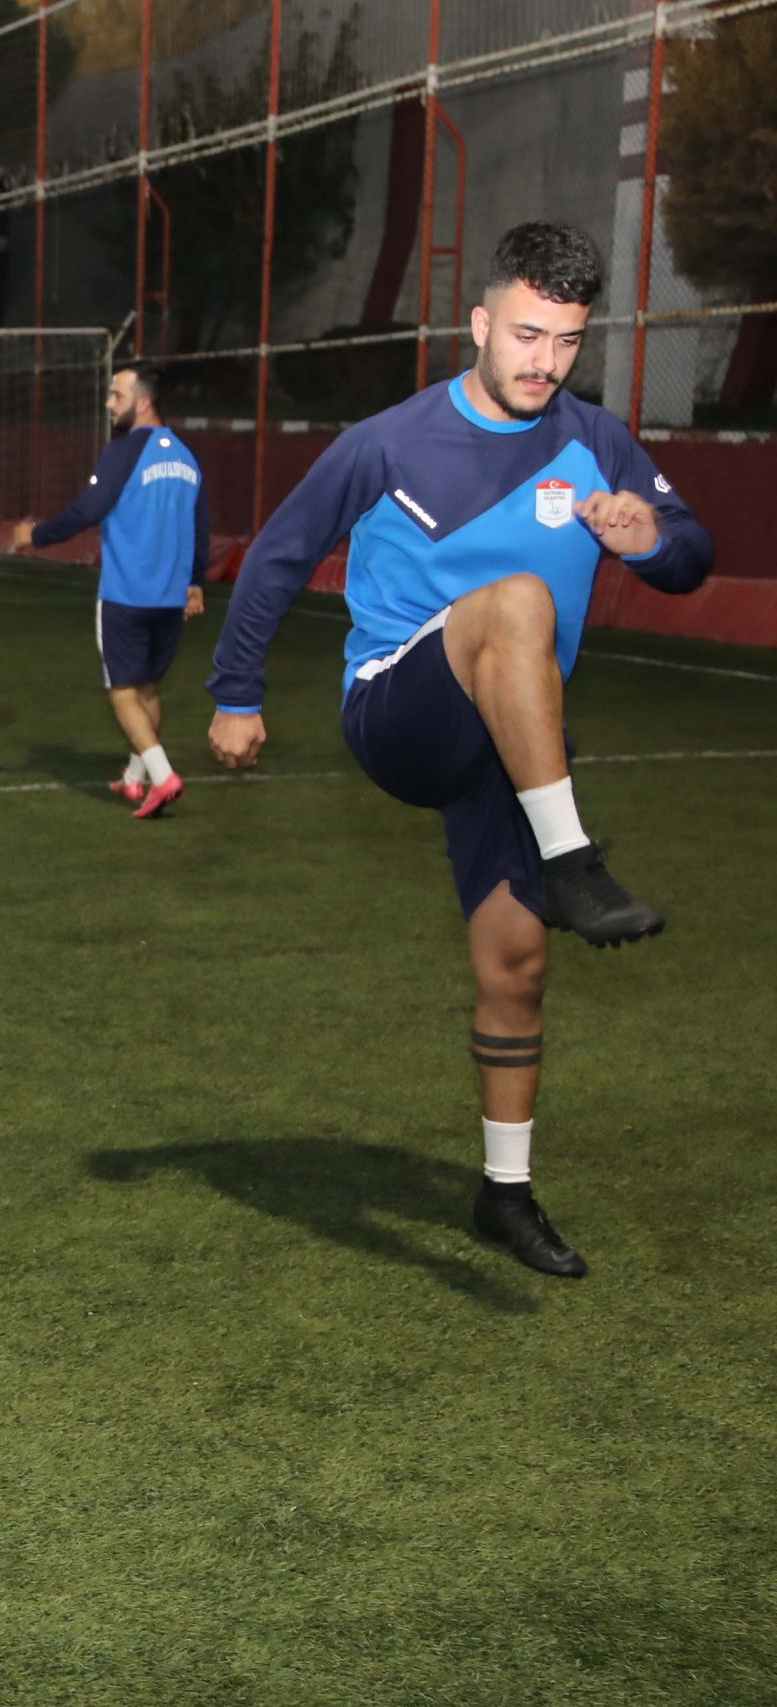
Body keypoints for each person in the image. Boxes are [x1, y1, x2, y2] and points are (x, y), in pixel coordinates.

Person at [203, 221, 713, 1278]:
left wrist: (648, 540)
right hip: (400, 709)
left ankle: (505, 1193)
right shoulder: (388, 441)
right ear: (478, 323)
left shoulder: (596, 441)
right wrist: (235, 693)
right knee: (516, 599)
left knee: (516, 969)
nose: (543, 361)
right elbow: (278, 557)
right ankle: (574, 860)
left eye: (566, 341)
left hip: (514, 740)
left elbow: (689, 556)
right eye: (525, 334)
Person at [11, 363, 208, 819]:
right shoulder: (185, 455)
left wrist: (35, 535)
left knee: (122, 691)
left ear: (143, 402)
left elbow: (89, 509)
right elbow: (200, 525)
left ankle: (163, 778)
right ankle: (135, 779)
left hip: (126, 594)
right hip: (170, 597)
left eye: (116, 395)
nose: (108, 403)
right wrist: (195, 581)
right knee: (148, 688)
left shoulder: (123, 451)